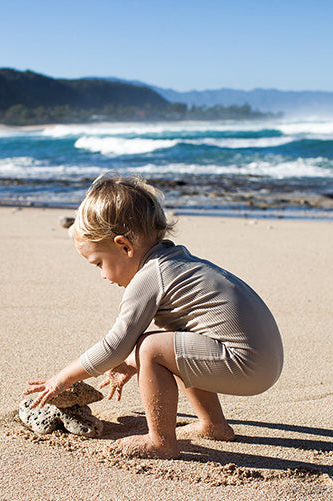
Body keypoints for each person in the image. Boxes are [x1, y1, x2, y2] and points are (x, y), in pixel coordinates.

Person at [24, 173, 283, 459]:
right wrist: (130, 363)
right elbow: (183, 341)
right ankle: (213, 425)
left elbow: (115, 345)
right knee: (171, 342)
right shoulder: (176, 262)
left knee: (150, 347)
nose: (102, 275)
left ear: (124, 246)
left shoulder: (149, 277)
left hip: (247, 364)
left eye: (99, 263)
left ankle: (161, 442)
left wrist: (62, 379)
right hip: (263, 361)